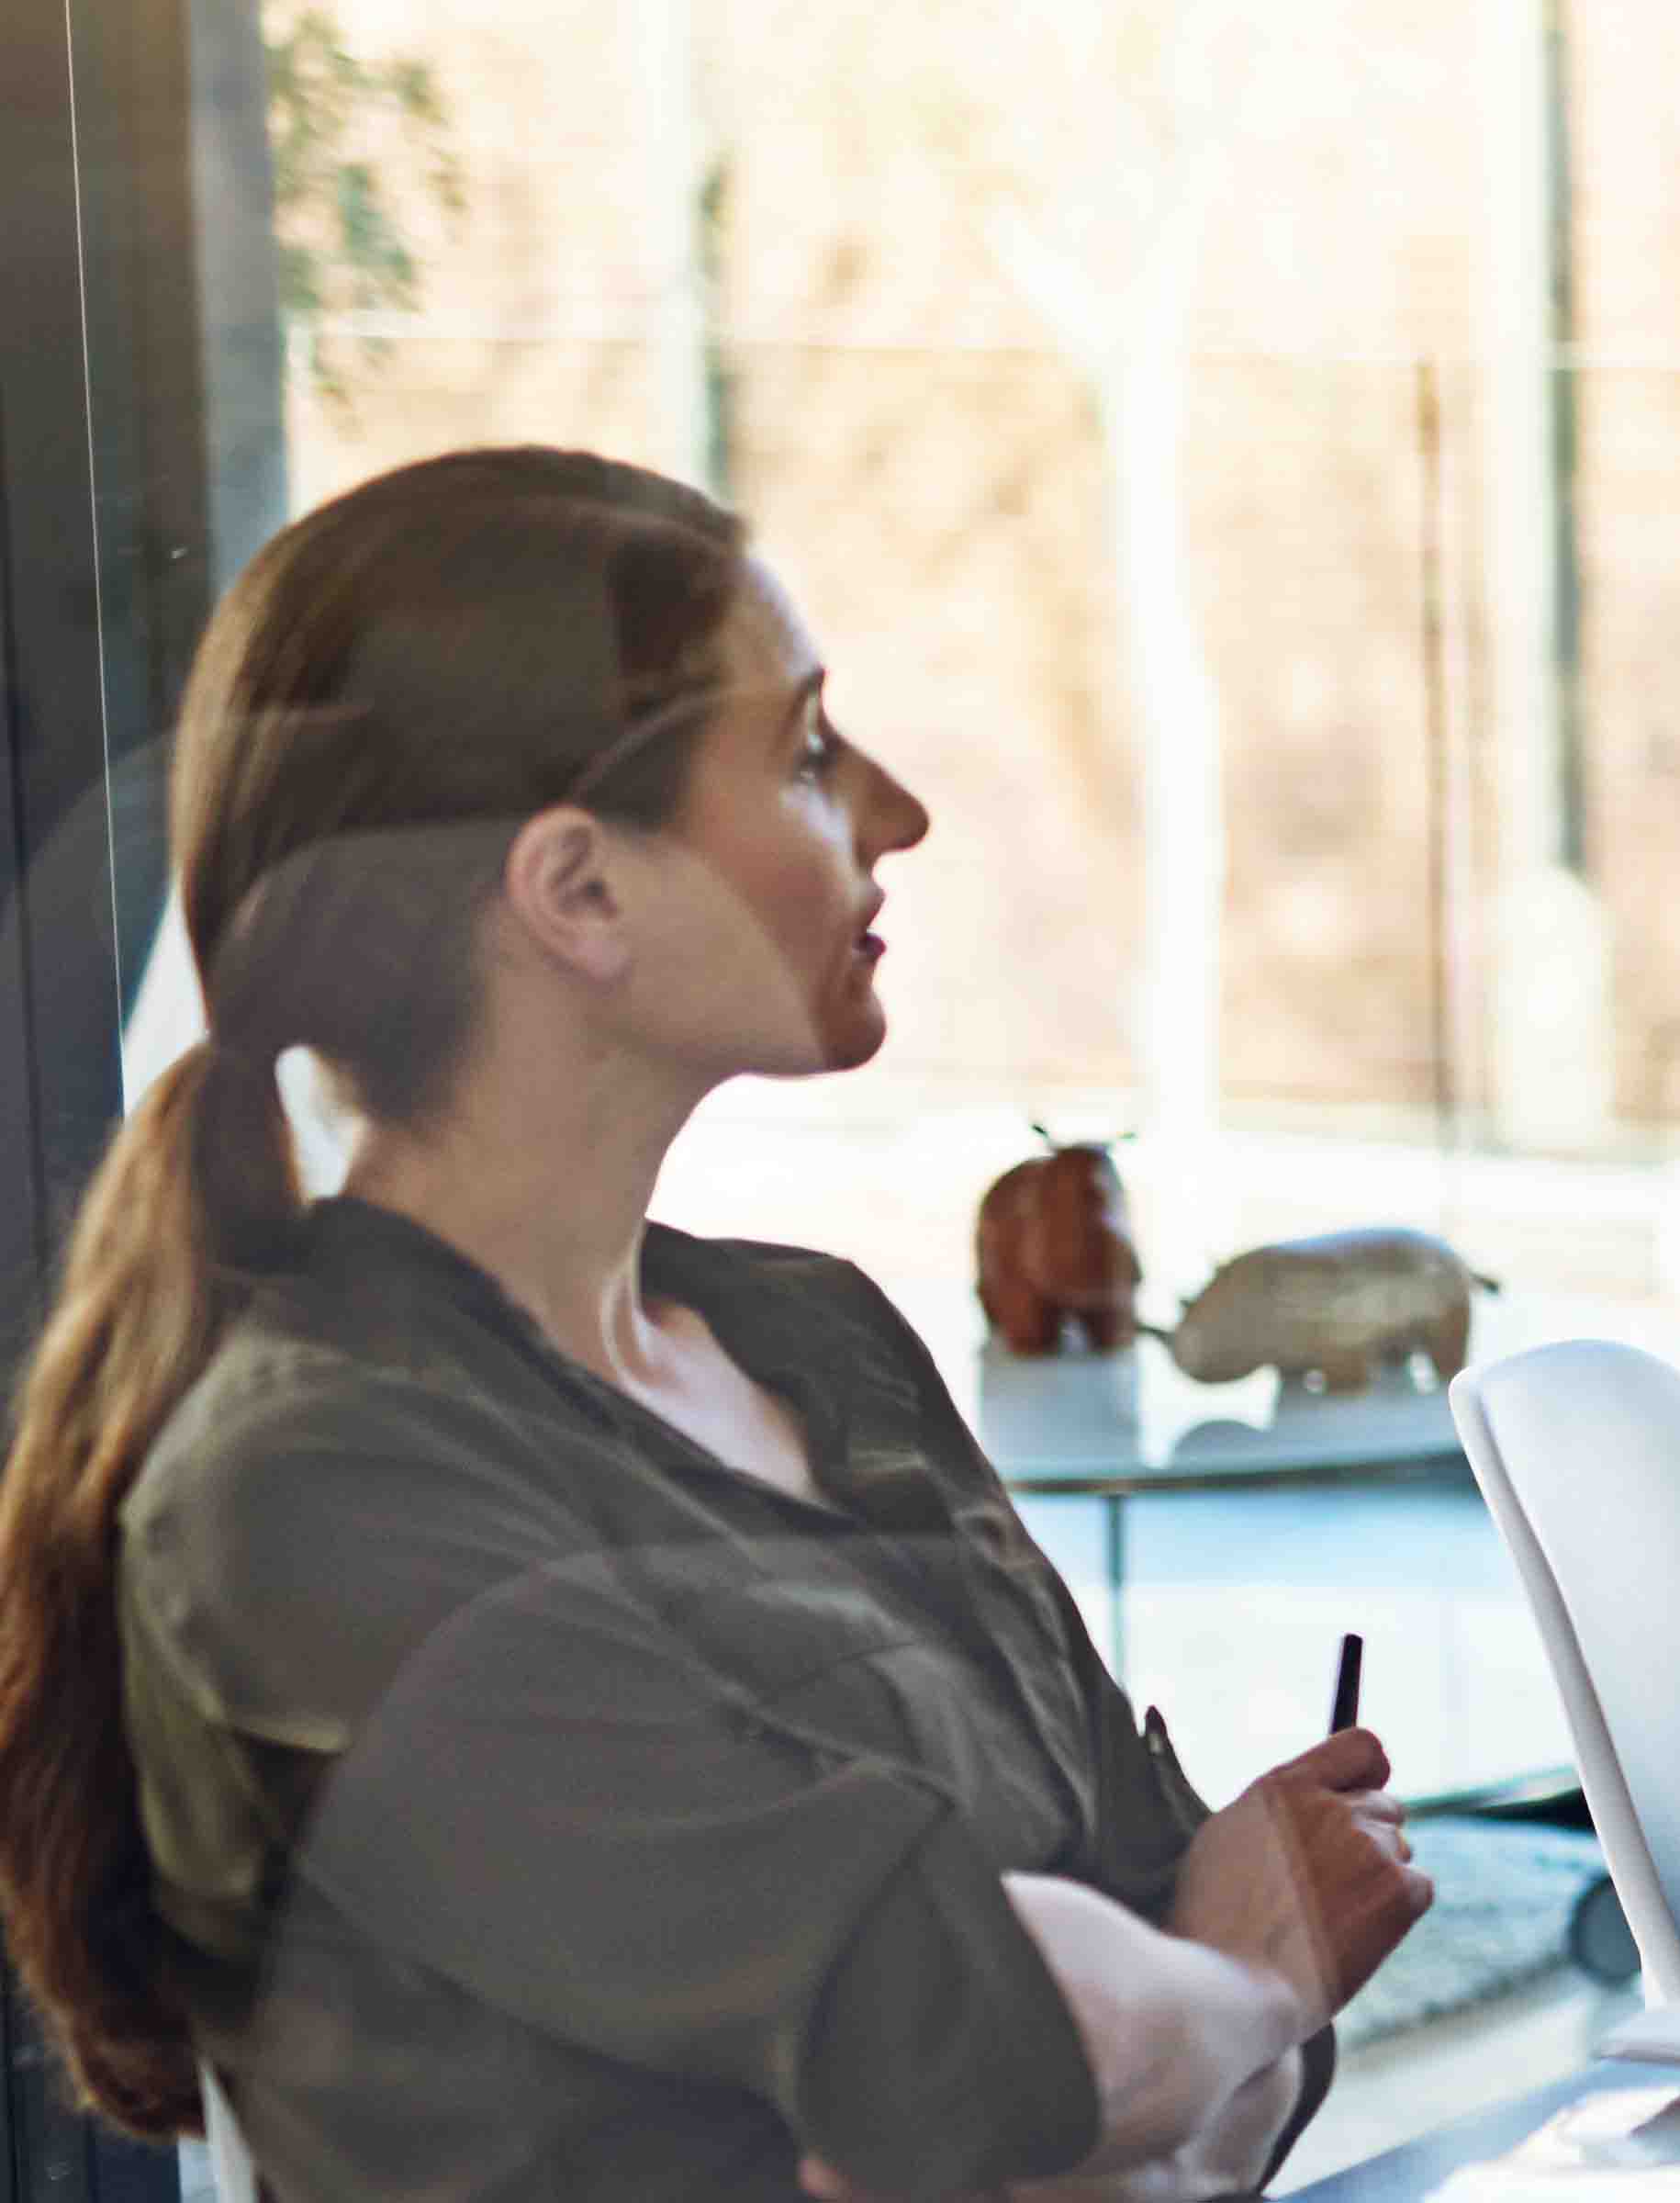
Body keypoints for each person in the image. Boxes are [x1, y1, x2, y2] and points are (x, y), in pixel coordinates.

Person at [0, 449, 1432, 2198]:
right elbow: (1001, 2043)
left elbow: (1112, 2076)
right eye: (808, 753)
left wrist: (1152, 2036)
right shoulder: (316, 1487)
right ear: (579, 892)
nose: (898, 814)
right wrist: (1250, 1974)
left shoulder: (822, 1340)